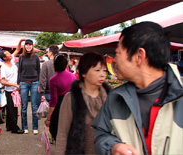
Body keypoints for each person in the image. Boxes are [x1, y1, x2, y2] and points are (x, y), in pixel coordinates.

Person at [92, 22, 183, 155]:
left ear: (139, 56)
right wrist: (112, 147)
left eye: (118, 53)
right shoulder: (115, 98)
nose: (115, 60)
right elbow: (100, 134)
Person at [55, 52, 111, 154]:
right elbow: (63, 133)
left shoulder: (110, 98)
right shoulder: (72, 98)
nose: (102, 74)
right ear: (84, 72)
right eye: (97, 70)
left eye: (104, 70)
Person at [44, 54, 76, 141]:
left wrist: (48, 118)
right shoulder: (73, 76)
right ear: (66, 65)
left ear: (54, 65)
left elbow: (53, 101)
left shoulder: (53, 80)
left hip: (60, 107)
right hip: (72, 105)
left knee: (57, 131)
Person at [14, 38, 40, 135]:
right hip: (23, 82)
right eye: (27, 45)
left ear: (32, 46)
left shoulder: (36, 57)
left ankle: (35, 127)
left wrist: (39, 83)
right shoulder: (21, 57)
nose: (28, 46)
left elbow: (39, 71)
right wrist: (18, 83)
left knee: (34, 106)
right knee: (24, 106)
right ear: (24, 46)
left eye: (30, 45)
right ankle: (25, 127)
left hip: (35, 82)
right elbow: (19, 71)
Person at [0, 50, 24, 134]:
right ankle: (14, 128)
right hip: (9, 91)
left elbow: (17, 49)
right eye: (8, 54)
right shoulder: (3, 67)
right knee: (12, 109)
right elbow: (2, 81)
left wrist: (21, 41)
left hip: (15, 90)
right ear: (4, 57)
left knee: (13, 108)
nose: (10, 54)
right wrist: (14, 85)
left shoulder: (12, 61)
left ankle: (9, 126)